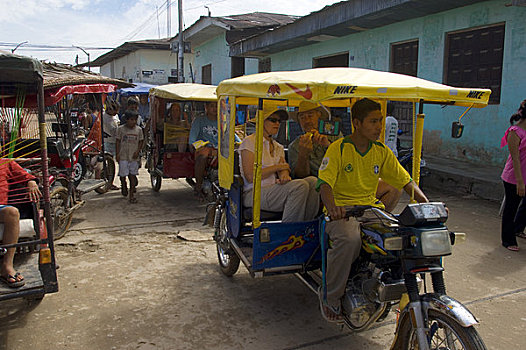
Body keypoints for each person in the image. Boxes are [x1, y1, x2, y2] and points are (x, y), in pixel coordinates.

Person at [316, 98, 429, 322]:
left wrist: (427, 204)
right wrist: (333, 208)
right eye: (373, 121)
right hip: (341, 210)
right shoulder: (339, 148)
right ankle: (331, 296)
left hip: (369, 209)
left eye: (380, 121)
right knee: (349, 239)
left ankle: (390, 284)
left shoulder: (381, 151)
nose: (379, 126)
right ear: (357, 123)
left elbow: (405, 181)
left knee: (403, 237)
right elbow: (324, 184)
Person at [288, 101, 402, 212]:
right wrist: (303, 154)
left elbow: (352, 160)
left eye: (310, 115)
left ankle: (376, 220)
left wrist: (328, 146)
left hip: (351, 183)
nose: (306, 120)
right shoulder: (295, 146)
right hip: (323, 191)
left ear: (319, 116)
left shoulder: (335, 137)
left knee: (394, 185)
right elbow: (300, 177)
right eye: (302, 117)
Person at [239, 108, 319, 222]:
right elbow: (251, 176)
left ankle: (306, 225)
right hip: (254, 192)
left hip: (274, 190)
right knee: (299, 186)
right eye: (273, 120)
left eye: (279, 121)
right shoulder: (250, 142)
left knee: (313, 182)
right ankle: (288, 230)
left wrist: (284, 175)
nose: (277, 124)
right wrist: (278, 168)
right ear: (262, 121)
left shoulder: (278, 146)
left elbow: (283, 169)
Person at [0, 159, 41, 288]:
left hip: (1, 208)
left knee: (12, 212)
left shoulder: (5, 163)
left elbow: (26, 176)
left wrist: (31, 182)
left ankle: (7, 266)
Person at [500, 99, 526, 252]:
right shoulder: (515, 132)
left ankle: (518, 228)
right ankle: (508, 239)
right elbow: (515, 159)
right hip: (513, 178)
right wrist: (520, 183)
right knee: (511, 207)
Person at [188, 101, 219, 199]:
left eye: (216, 106)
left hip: (220, 149)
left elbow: (232, 136)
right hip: (205, 149)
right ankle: (198, 186)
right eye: (212, 106)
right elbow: (192, 140)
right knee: (203, 156)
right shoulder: (199, 120)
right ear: (206, 107)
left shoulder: (222, 121)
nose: (214, 109)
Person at [116, 110, 144, 203]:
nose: (133, 122)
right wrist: (117, 153)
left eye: (135, 120)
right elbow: (118, 141)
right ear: (127, 120)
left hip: (133, 156)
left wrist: (138, 151)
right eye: (131, 120)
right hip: (123, 155)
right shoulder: (121, 129)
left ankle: (131, 195)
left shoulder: (138, 130)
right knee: (123, 174)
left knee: (132, 175)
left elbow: (141, 141)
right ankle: (123, 184)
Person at [102, 99, 121, 190]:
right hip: (108, 142)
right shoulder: (104, 117)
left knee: (115, 164)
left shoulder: (115, 116)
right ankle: (109, 182)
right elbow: (113, 130)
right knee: (110, 164)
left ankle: (111, 182)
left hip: (116, 141)